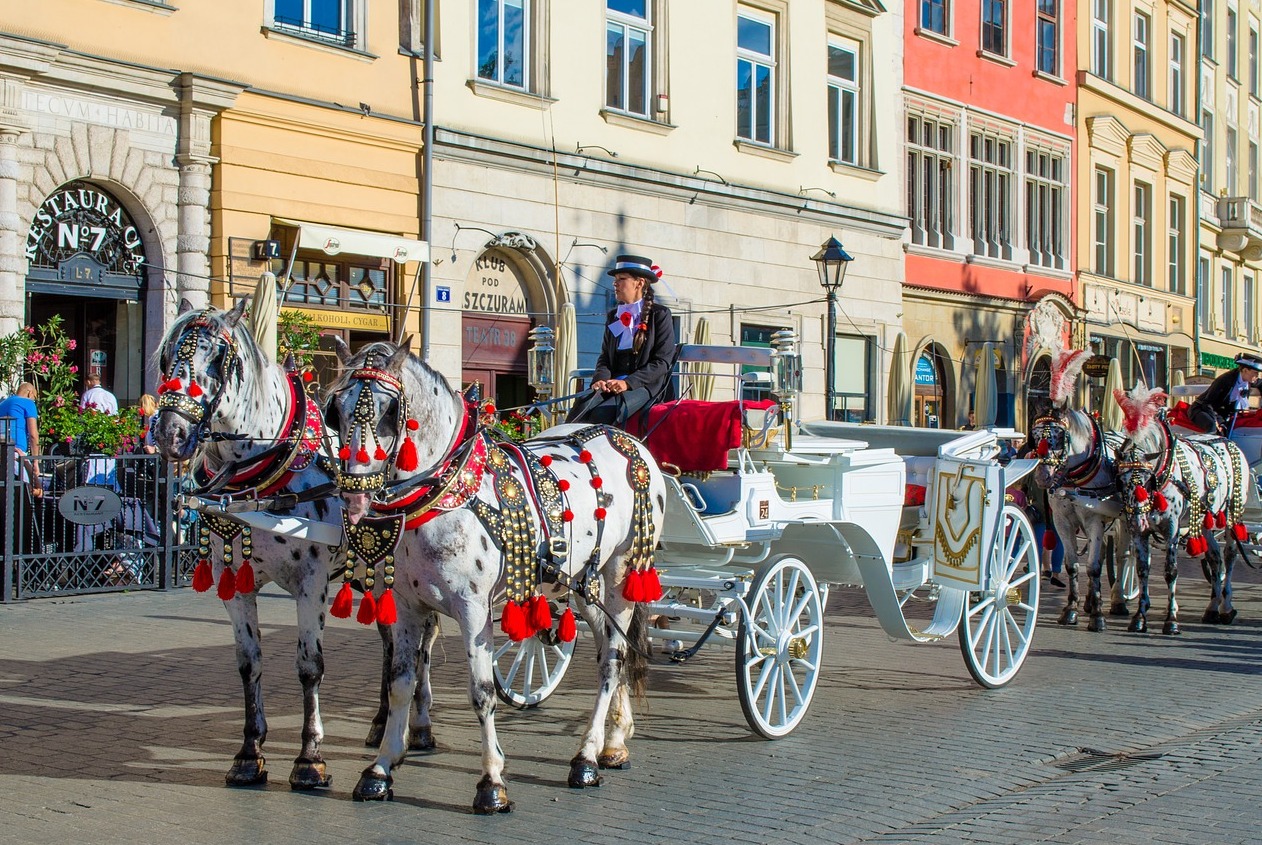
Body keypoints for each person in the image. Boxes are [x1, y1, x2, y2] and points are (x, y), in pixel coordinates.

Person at [566, 254, 676, 426]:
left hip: (645, 385)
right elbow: (605, 357)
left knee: (603, 413)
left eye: (621, 279)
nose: (615, 284)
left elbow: (662, 362)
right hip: (613, 382)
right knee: (581, 407)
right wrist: (600, 379)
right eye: (615, 280)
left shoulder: (660, 314)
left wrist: (628, 383)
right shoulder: (614, 316)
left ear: (639, 283)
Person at [1188, 351, 1262, 435]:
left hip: (1220, 413)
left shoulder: (1250, 380)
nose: (1257, 376)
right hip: (1202, 409)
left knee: (1225, 430)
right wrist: (1215, 421)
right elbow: (1207, 403)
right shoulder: (1225, 380)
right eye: (1255, 372)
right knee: (1212, 427)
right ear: (1245, 370)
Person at [0, 382, 40, 459]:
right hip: (16, 450)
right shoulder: (28, 403)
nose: (34, 400)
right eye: (34, 397)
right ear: (30, 393)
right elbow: (33, 435)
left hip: (2, 449)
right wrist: (36, 461)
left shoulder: (2, 404)